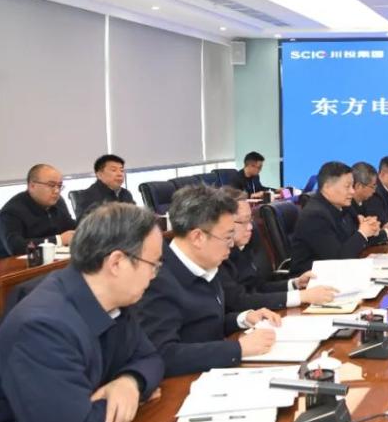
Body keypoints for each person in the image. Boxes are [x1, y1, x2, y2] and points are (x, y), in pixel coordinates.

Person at [0, 203, 164, 422]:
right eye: (153, 265)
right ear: (116, 263)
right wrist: (137, 398)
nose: (154, 275)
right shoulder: (42, 325)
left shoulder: (114, 300)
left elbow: (151, 358)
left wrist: (129, 382)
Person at [136, 185, 280, 377]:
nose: (231, 245)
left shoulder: (205, 263)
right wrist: (238, 349)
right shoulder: (157, 280)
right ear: (198, 237)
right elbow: (163, 355)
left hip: (213, 372)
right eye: (227, 237)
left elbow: (204, 325)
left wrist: (244, 318)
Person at [219, 188, 337, 312]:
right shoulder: (218, 255)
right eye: (243, 221)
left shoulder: (243, 244)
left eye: (250, 220)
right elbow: (239, 301)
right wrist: (300, 296)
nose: (250, 227)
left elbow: (258, 287)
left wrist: (295, 284)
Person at [289, 162, 380, 275]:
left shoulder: (342, 207)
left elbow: (352, 240)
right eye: (347, 186)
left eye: (352, 186)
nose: (352, 191)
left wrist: (371, 229)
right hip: (312, 279)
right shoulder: (315, 216)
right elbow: (337, 260)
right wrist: (362, 233)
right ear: (327, 187)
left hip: (339, 272)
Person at [0, 164, 76, 255]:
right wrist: (59, 240)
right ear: (32, 186)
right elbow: (15, 247)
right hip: (18, 263)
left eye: (59, 186)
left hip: (54, 258)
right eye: (51, 185)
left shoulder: (58, 202)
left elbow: (70, 226)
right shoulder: (12, 211)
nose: (56, 191)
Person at [74, 154, 136, 219]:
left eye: (121, 170)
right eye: (113, 170)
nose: (120, 174)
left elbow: (136, 217)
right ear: (99, 175)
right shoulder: (87, 196)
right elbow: (86, 223)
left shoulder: (125, 193)